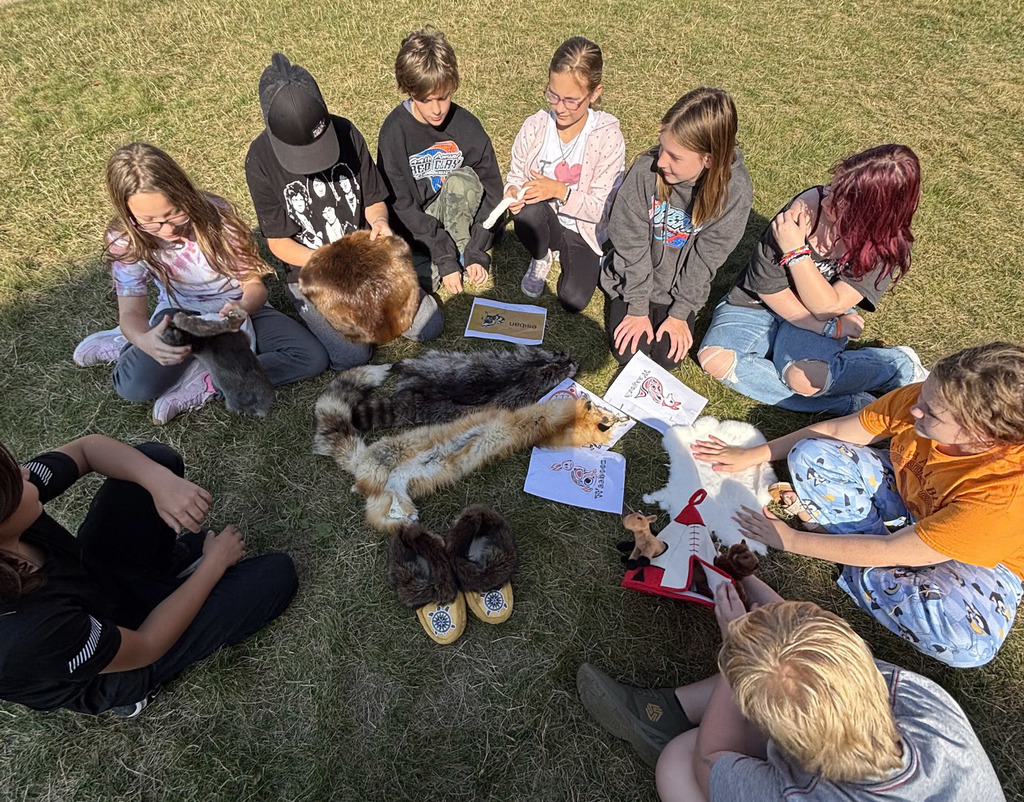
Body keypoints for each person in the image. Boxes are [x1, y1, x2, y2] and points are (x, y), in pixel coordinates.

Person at [692, 342, 1024, 668]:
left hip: (983, 563)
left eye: (931, 412)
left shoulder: (1004, 497)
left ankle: (851, 554)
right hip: (915, 502)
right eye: (924, 394)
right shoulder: (926, 398)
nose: (915, 408)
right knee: (812, 454)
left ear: (982, 436)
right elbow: (837, 431)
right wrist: (753, 453)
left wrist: (790, 540)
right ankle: (856, 556)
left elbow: (895, 549)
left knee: (967, 644)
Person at [578, 581, 1004, 801]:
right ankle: (663, 709)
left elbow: (711, 759)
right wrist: (751, 586)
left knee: (677, 763)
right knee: (784, 675)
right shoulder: (914, 694)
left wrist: (733, 655)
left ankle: (665, 721)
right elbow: (804, 665)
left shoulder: (800, 795)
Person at [0, 434, 297, 717]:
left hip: (96, 579)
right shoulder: (26, 632)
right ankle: (133, 691)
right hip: (117, 659)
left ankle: (156, 580)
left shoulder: (12, 499)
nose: (25, 474)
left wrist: (159, 481)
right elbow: (147, 644)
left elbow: (86, 451)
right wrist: (212, 565)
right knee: (275, 576)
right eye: (16, 482)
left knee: (155, 460)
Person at [73, 143, 329, 425]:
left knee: (309, 357)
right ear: (128, 214)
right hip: (180, 314)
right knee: (134, 386)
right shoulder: (125, 238)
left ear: (184, 193)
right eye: (151, 222)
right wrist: (144, 339)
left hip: (235, 312)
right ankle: (128, 343)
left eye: (174, 214)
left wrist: (242, 308)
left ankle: (208, 378)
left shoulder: (217, 217)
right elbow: (130, 313)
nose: (168, 229)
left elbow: (254, 286)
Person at [245, 53, 442, 369]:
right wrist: (330, 263)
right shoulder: (260, 160)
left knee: (428, 324)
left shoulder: (346, 132)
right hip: (312, 270)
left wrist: (379, 222)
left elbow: (374, 198)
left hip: (365, 257)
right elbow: (279, 244)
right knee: (353, 355)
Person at [698, 144, 927, 414]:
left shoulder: (883, 246)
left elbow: (828, 306)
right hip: (758, 304)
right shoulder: (805, 210)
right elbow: (767, 288)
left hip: (823, 311)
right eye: (833, 186)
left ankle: (897, 365)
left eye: (841, 200)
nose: (827, 198)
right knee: (714, 359)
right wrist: (827, 329)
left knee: (804, 379)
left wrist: (796, 252)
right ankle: (850, 405)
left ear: (871, 215)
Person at [600, 87, 752, 370]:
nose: (660, 161)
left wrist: (680, 312)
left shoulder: (736, 192)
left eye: (674, 156)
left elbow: (706, 260)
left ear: (708, 159)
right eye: (661, 148)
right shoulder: (647, 172)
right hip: (633, 281)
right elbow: (630, 244)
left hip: (675, 292)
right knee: (629, 353)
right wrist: (636, 307)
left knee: (667, 357)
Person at [376, 27, 504, 295]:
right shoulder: (393, 132)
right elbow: (402, 205)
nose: (437, 109)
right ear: (409, 91)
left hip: (459, 212)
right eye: (426, 100)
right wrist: (442, 253)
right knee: (418, 283)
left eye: (443, 97)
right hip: (418, 224)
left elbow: (493, 188)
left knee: (463, 181)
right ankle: (445, 257)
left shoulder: (467, 126)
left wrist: (478, 244)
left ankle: (464, 249)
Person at [503, 36, 625, 312]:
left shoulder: (607, 137)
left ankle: (583, 258)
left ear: (594, 94)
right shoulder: (536, 126)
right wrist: (513, 193)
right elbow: (516, 177)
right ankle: (541, 254)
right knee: (528, 212)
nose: (560, 107)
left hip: (584, 228)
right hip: (543, 218)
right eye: (553, 95)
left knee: (573, 300)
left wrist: (560, 191)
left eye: (572, 101)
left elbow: (599, 208)